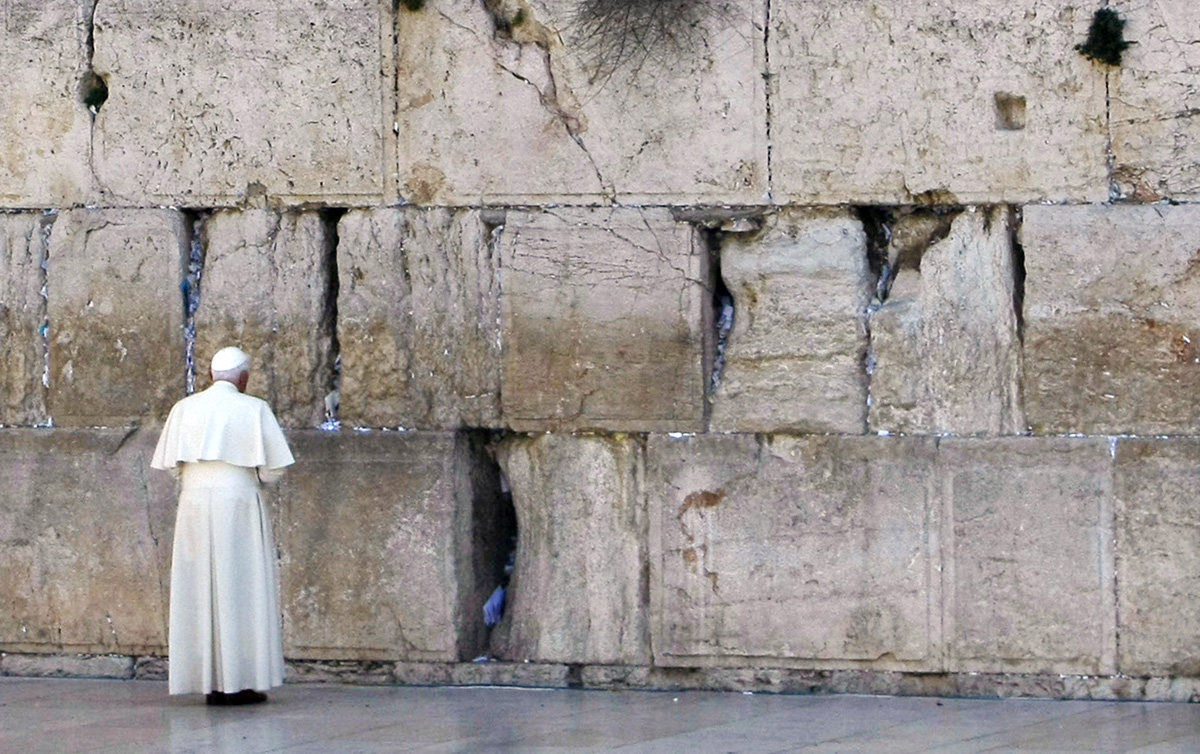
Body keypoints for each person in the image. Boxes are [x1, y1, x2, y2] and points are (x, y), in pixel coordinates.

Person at [151, 346, 294, 705]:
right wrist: (251, 478)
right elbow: (274, 468)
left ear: (211, 375)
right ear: (243, 378)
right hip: (240, 502)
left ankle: (210, 681)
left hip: (194, 505)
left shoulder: (183, 409)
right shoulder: (254, 408)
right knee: (242, 588)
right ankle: (242, 680)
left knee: (199, 588)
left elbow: (172, 465)